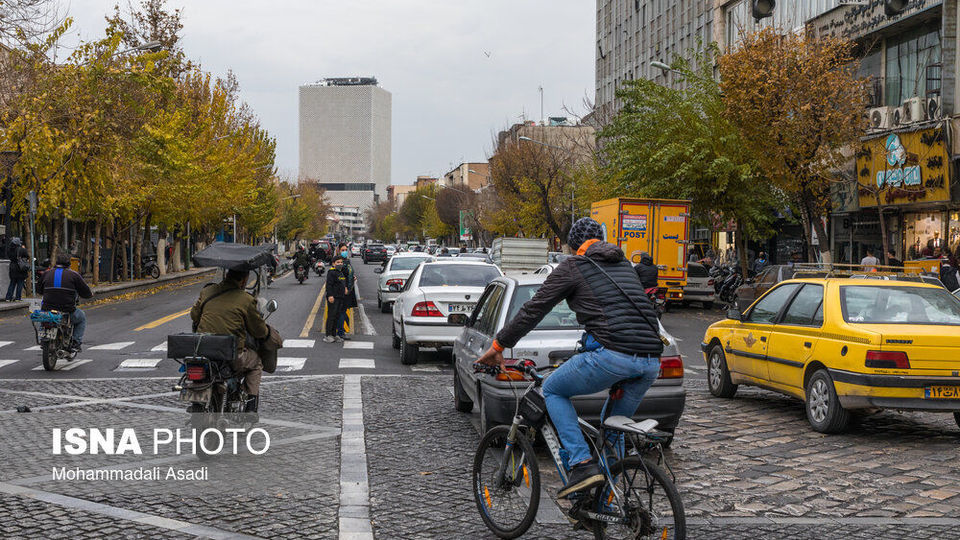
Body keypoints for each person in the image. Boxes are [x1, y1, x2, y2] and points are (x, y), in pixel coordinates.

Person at [478, 218, 663, 499]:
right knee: (613, 429)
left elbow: (534, 309)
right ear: (601, 240)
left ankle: (581, 464)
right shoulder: (624, 265)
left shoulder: (574, 266)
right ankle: (605, 504)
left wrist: (499, 344)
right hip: (650, 361)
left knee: (552, 389)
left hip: (612, 355)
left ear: (572, 246)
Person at [190, 268, 270, 416]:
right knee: (256, 362)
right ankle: (251, 406)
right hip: (231, 355)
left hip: (203, 351)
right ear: (244, 280)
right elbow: (259, 331)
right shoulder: (246, 299)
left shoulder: (207, 291)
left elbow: (194, 316)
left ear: (226, 275)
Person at [38, 253, 93, 351]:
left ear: (56, 262)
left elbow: (39, 290)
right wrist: (90, 295)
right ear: (69, 264)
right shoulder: (74, 275)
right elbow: (86, 293)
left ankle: (43, 338)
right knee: (81, 317)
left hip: (48, 309)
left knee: (44, 319)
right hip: (67, 310)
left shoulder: (46, 273)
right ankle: (76, 342)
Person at [324, 257, 348, 343]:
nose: (340, 264)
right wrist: (330, 295)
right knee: (331, 316)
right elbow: (329, 285)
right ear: (334, 263)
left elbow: (342, 282)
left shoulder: (340, 272)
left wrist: (345, 288)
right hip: (333, 297)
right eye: (338, 262)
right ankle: (328, 335)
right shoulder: (331, 273)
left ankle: (334, 334)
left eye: (341, 262)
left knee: (337, 316)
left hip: (340, 297)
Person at [337, 244, 357, 339]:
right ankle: (340, 332)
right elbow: (340, 276)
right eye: (342, 250)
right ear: (339, 250)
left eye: (345, 249)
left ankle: (341, 331)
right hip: (343, 290)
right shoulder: (339, 262)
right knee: (342, 311)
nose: (344, 251)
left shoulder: (347, 261)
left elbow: (349, 273)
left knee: (344, 310)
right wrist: (345, 287)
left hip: (349, 289)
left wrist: (353, 277)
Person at [5, 237, 28, 302]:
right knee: (20, 283)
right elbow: (27, 256)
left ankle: (8, 297)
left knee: (12, 283)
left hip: (12, 267)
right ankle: (18, 298)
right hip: (20, 268)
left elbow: (9, 257)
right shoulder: (22, 250)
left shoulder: (9, 250)